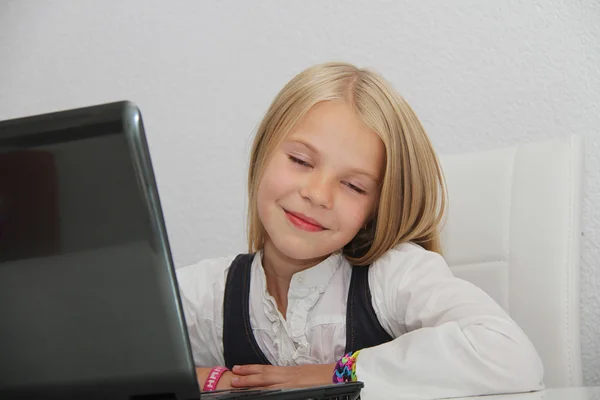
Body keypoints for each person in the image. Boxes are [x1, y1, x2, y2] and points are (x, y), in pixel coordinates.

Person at [175, 62, 544, 399]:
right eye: (300, 161)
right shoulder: (211, 292)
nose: (317, 195)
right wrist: (215, 381)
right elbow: (117, 353)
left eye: (353, 186)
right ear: (263, 151)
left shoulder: (394, 275)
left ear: (376, 209)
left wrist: (335, 373)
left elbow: (509, 355)